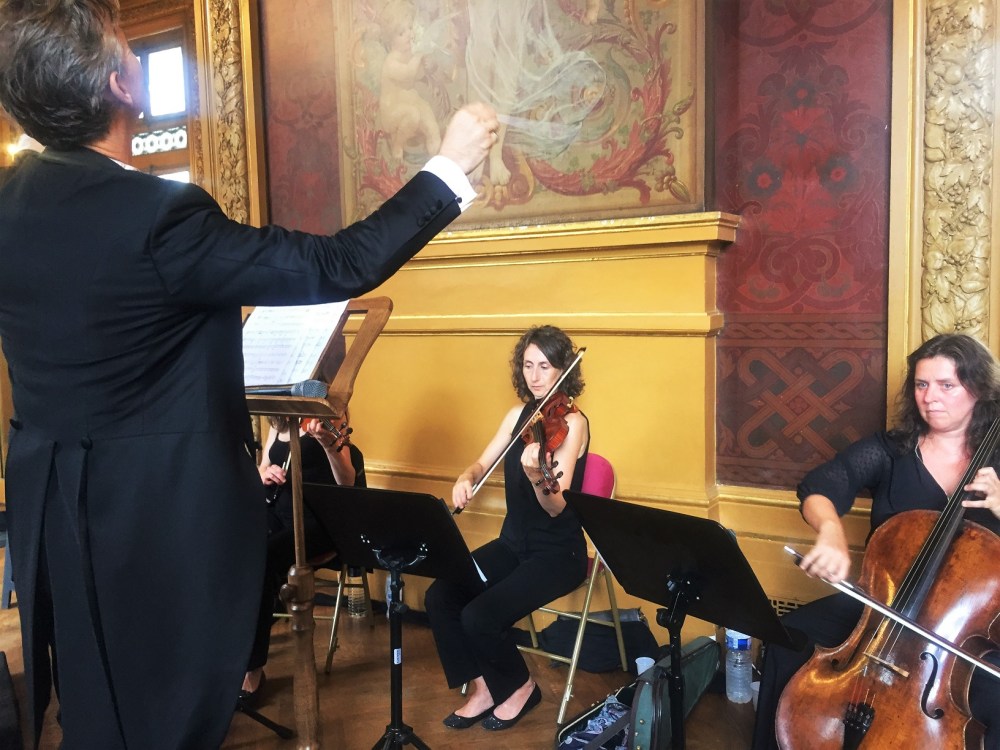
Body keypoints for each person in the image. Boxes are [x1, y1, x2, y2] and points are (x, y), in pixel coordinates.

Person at [0, 1, 498, 747]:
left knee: (96, 710)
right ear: (120, 85)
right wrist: (450, 167)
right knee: (165, 720)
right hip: (159, 521)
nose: (134, 58)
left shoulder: (9, 203)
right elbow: (340, 263)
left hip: (51, 513)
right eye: (127, 47)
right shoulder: (158, 216)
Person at [752, 333, 1000, 750]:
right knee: (788, 639)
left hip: (968, 625)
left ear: (977, 389)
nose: (930, 398)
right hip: (885, 605)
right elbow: (821, 485)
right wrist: (830, 531)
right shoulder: (893, 450)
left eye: (946, 385)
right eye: (921, 384)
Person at [425, 325, 589, 731]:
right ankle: (484, 687)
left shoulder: (573, 424)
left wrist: (536, 477)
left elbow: (556, 507)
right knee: (441, 595)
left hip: (557, 554)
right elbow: (481, 463)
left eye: (545, 366)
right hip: (513, 545)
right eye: (528, 365)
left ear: (563, 369)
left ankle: (520, 687)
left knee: (479, 615)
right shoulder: (518, 417)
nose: (535, 376)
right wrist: (466, 477)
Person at [241, 412, 365, 704]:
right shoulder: (280, 420)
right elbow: (263, 465)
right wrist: (265, 473)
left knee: (262, 558)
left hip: (317, 522)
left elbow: (347, 481)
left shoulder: (328, 412)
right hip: (278, 512)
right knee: (234, 545)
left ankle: (251, 670)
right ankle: (228, 652)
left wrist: (327, 444)